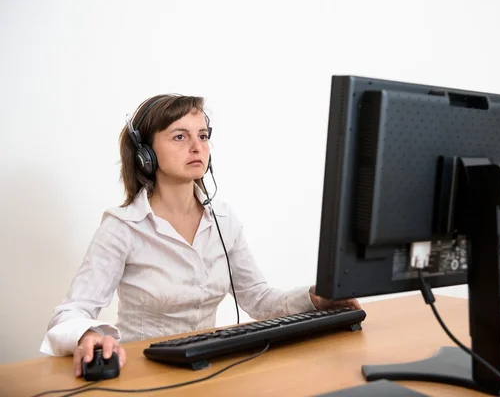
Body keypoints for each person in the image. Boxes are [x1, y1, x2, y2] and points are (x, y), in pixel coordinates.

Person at [40, 94, 361, 377]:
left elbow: (258, 299)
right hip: (144, 372)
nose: (197, 147)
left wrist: (315, 298)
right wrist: (86, 336)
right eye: (179, 136)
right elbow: (71, 312)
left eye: (203, 136)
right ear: (145, 154)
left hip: (209, 367)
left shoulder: (223, 218)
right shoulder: (123, 226)